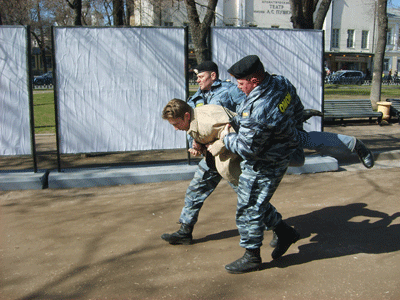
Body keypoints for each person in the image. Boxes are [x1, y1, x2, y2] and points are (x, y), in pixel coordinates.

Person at [160, 60, 374, 249]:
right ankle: (186, 230)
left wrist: (226, 140)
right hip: (218, 153)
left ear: (212, 76)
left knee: (254, 195)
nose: (197, 80)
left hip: (240, 149)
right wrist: (197, 142)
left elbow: (242, 121)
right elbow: (193, 127)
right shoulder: (195, 98)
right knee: (198, 190)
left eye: (200, 76)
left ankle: (279, 231)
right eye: (196, 77)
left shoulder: (232, 91)